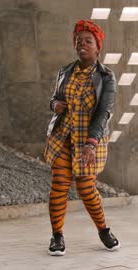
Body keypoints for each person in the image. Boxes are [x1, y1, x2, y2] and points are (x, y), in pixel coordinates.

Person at [43, 20, 120, 256]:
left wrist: (91, 143)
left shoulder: (106, 77)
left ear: (98, 47)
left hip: (88, 141)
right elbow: (54, 98)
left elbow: (103, 112)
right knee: (59, 186)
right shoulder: (65, 72)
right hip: (63, 137)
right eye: (78, 40)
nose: (81, 44)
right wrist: (55, 104)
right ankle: (57, 236)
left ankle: (103, 230)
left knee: (86, 188)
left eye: (88, 40)